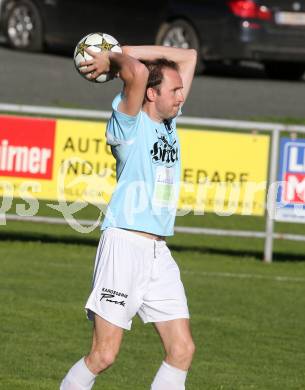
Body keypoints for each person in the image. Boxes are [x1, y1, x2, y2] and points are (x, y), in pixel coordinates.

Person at [60, 43, 197, 390]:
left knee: (182, 349)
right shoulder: (129, 124)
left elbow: (189, 56)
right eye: (174, 90)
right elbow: (134, 72)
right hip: (124, 244)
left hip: (157, 252)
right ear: (151, 94)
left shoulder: (169, 124)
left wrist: (121, 48)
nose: (182, 96)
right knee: (104, 355)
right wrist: (114, 58)